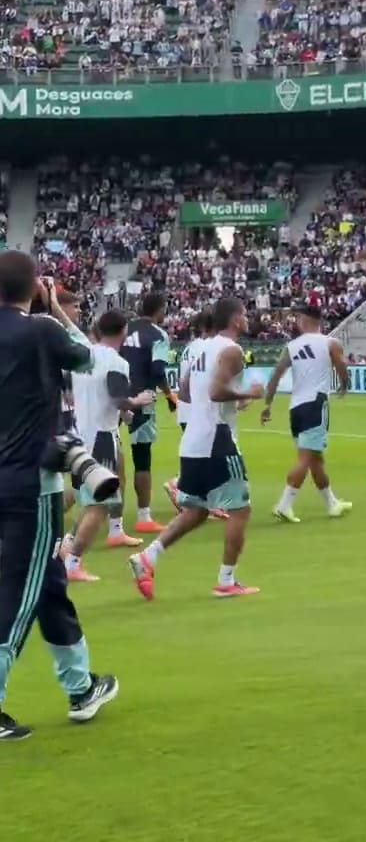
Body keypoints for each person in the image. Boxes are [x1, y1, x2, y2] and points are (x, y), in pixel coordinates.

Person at [0, 253, 118, 741]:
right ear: (34, 287)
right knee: (16, 597)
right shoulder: (42, 329)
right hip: (32, 483)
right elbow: (90, 356)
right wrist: (53, 307)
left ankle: (81, 686)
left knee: (48, 586)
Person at [128, 297, 263, 602]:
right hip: (217, 439)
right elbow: (215, 391)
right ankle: (226, 580)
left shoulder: (199, 348)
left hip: (193, 441)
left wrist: (231, 402)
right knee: (240, 509)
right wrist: (248, 393)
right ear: (235, 319)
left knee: (198, 510)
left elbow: (188, 390)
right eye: (242, 314)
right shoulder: (231, 350)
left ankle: (148, 557)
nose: (246, 319)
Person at [65, 311, 154, 584]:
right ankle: (73, 562)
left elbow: (79, 392)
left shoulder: (84, 356)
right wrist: (138, 400)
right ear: (123, 331)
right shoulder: (116, 361)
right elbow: (117, 397)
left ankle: (65, 547)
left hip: (79, 434)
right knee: (100, 505)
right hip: (101, 438)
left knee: (88, 501)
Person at [262, 304, 352, 524]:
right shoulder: (330, 343)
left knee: (315, 459)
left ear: (307, 320)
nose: (297, 322)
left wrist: (268, 404)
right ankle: (284, 505)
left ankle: (332, 504)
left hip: (296, 408)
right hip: (315, 403)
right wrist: (344, 384)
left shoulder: (291, 346)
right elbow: (341, 364)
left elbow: (275, 375)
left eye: (299, 318)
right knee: (306, 458)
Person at [120, 292, 175, 534]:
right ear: (160, 309)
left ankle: (105, 514)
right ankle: (144, 516)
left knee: (106, 452)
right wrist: (170, 395)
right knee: (142, 458)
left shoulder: (124, 328)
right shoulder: (158, 335)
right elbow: (158, 371)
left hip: (114, 395)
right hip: (142, 398)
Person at [164, 308, 216, 514]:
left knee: (201, 453)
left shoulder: (189, 347)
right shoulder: (207, 346)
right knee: (208, 454)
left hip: (186, 408)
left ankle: (198, 498)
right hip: (197, 407)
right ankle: (179, 484)